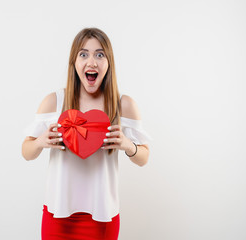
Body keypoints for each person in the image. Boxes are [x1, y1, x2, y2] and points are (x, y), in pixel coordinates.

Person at [21, 27, 152, 240]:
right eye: (84, 54)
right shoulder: (54, 102)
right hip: (58, 216)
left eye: (100, 55)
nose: (92, 62)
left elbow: (144, 158)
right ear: (74, 62)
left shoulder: (123, 105)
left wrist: (128, 145)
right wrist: (40, 142)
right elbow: (26, 152)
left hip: (102, 218)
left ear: (109, 63)